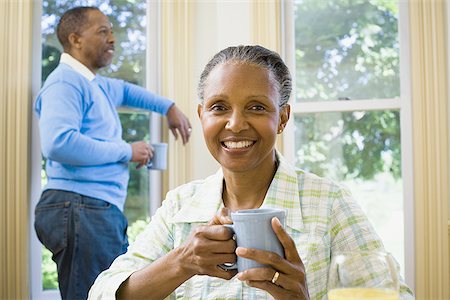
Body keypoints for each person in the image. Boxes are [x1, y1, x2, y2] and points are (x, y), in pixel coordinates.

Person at [89, 45, 414, 299]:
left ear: (283, 118)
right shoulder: (180, 206)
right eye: (219, 107)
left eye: (257, 107)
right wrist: (182, 261)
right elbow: (103, 293)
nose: (235, 124)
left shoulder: (328, 203)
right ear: (202, 115)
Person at [33, 6, 191, 300]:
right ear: (75, 39)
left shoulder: (95, 84)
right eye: (102, 31)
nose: (113, 39)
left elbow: (129, 92)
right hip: (80, 207)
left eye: (112, 32)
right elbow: (58, 142)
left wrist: (168, 107)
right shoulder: (65, 82)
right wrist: (127, 151)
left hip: (92, 210)